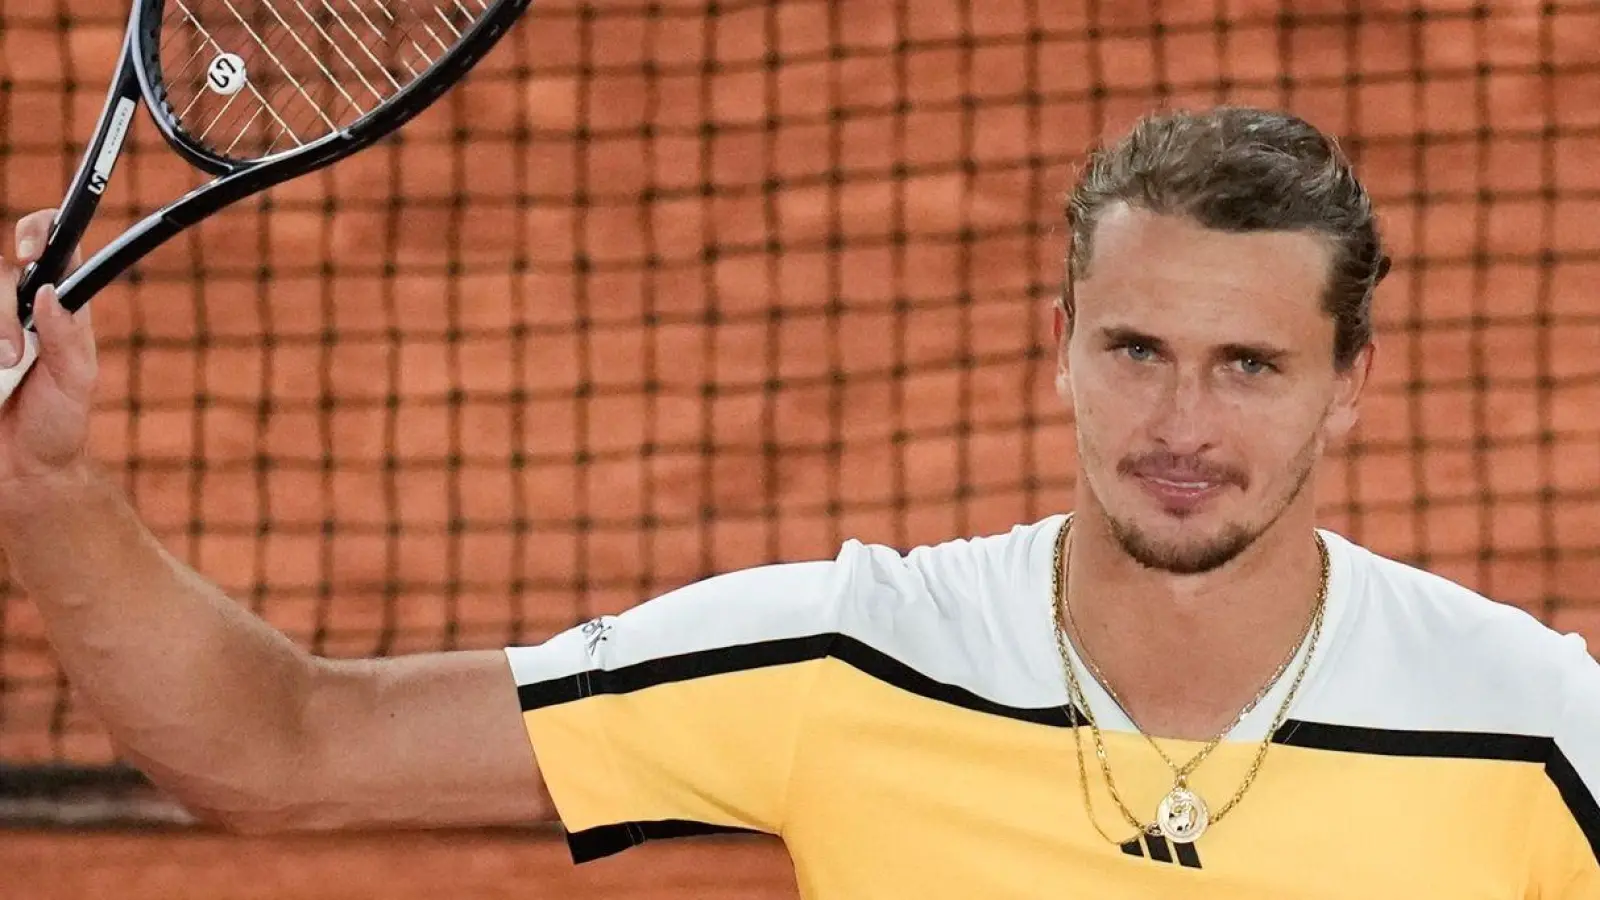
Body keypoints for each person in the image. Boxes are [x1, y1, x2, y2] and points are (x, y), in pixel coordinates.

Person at [0, 106, 1594, 897]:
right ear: (1060, 347)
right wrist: (48, 485)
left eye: (1250, 365)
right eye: (1136, 349)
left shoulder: (1531, 728)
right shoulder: (847, 662)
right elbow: (284, 748)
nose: (1180, 424)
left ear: (1352, 379)